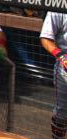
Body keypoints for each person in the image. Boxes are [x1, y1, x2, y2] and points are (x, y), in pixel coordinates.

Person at [40, 11, 67, 139]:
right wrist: (60, 55)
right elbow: (46, 38)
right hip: (65, 65)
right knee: (62, 113)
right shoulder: (57, 8)